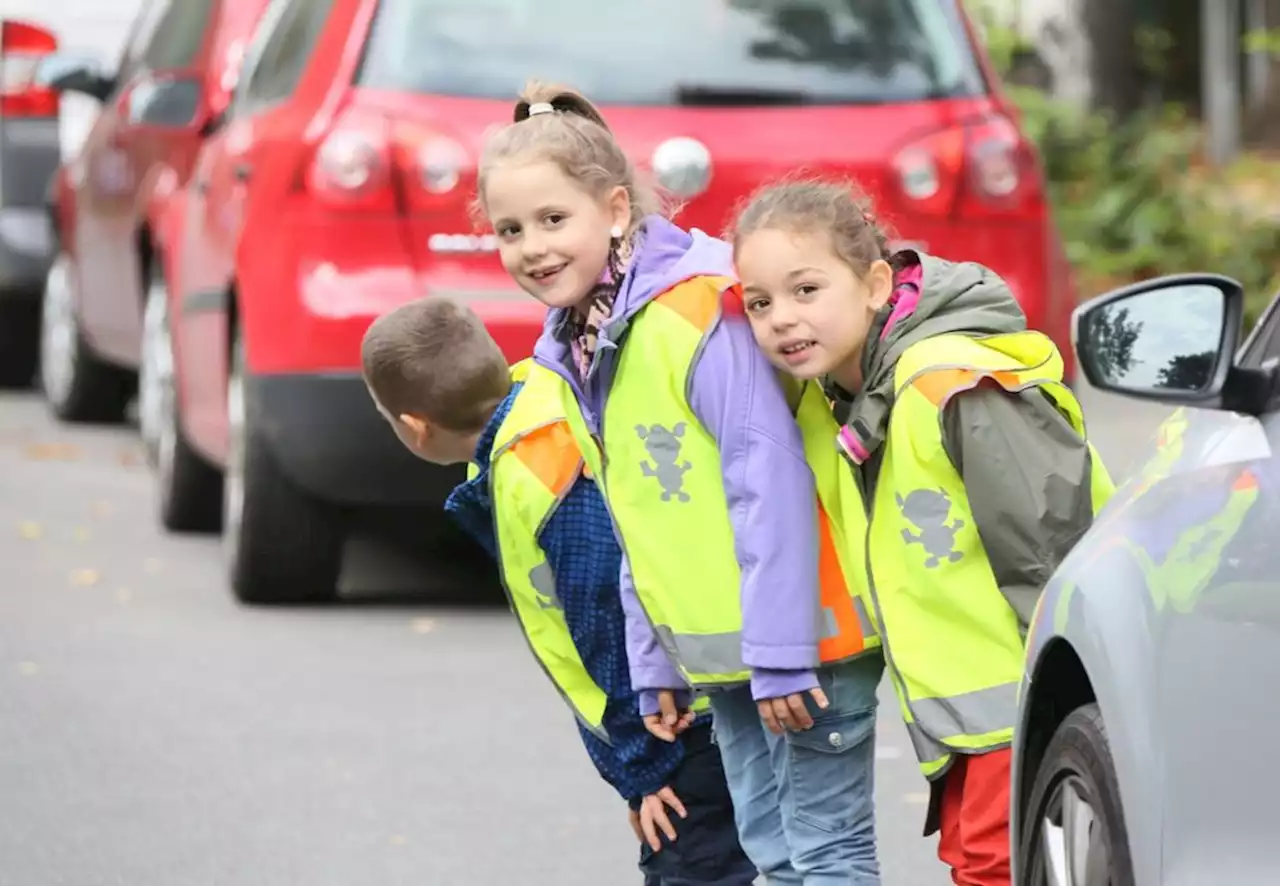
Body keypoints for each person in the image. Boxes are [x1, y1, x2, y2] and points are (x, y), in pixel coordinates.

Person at [474, 80, 885, 885]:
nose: (533, 246)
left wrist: (780, 657)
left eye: (555, 220)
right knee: (773, 852)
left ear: (616, 210)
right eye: (510, 230)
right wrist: (656, 662)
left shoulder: (695, 311)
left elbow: (767, 480)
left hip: (801, 644)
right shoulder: (579, 346)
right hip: (726, 660)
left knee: (825, 858)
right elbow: (641, 519)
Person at [728, 178, 1116, 886]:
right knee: (982, 864)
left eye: (806, 290)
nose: (782, 319)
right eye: (760, 303)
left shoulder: (952, 384)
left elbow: (1052, 549)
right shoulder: (836, 399)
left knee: (994, 869)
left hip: (1022, 702)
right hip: (964, 721)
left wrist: (1085, 699)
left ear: (876, 284)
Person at [359, 296, 758, 886]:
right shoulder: (545, 400)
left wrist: (645, 769)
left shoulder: (536, 474)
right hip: (697, 706)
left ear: (415, 429)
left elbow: (608, 617)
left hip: (679, 725)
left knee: (696, 873)